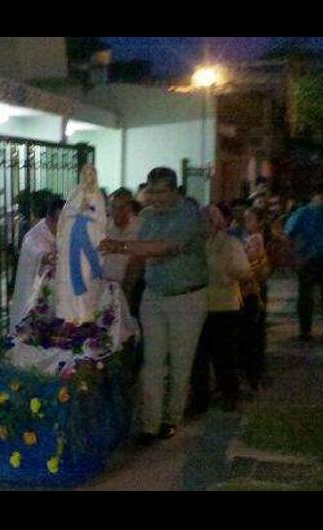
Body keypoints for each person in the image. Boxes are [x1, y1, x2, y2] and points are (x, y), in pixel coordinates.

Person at [100, 167, 208, 446]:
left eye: (162, 192)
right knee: (152, 363)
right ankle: (150, 424)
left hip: (186, 298)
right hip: (154, 295)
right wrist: (128, 287)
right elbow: (141, 252)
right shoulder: (147, 216)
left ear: (174, 191)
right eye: (152, 192)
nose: (156, 198)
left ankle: (170, 420)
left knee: (180, 363)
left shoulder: (188, 215)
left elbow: (163, 247)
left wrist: (120, 247)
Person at [190, 205, 253, 414]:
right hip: (199, 307)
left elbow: (245, 273)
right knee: (199, 356)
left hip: (224, 307)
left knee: (223, 355)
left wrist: (228, 273)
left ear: (215, 223)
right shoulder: (196, 244)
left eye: (206, 222)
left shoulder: (229, 243)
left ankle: (229, 394)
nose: (202, 226)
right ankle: (199, 399)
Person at [284, 186, 323, 345]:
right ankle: (314, 332)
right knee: (313, 298)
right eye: (322, 198)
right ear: (315, 198)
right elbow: (288, 237)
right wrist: (295, 257)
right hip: (311, 260)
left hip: (320, 260)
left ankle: (320, 332)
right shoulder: (307, 213)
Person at [9, 197, 66, 333]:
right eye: (63, 221)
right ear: (50, 218)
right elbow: (47, 257)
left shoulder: (62, 232)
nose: (67, 225)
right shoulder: (33, 238)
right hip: (33, 298)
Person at [241, 206, 272, 391]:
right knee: (255, 333)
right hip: (256, 289)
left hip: (252, 291)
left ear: (259, 222)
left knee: (252, 333)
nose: (246, 223)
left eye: (250, 219)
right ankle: (255, 373)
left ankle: (254, 374)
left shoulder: (255, 239)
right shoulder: (256, 238)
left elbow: (251, 262)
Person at [102, 188, 144, 315]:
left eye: (122, 207)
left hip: (134, 287)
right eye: (113, 207)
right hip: (106, 288)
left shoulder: (141, 227)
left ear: (129, 207)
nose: (117, 212)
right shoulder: (103, 227)